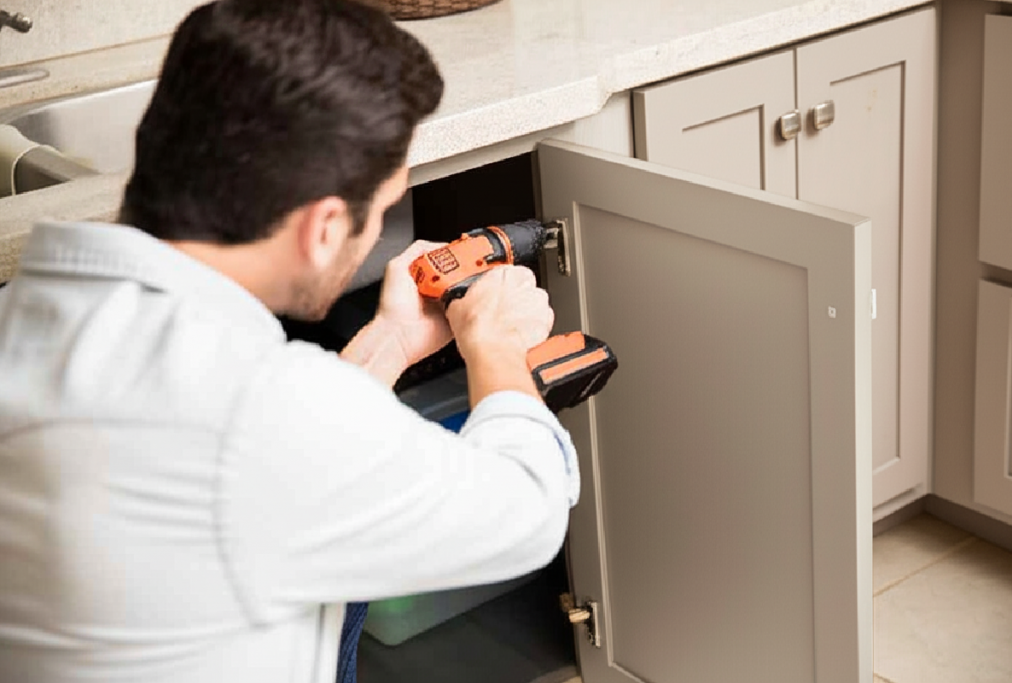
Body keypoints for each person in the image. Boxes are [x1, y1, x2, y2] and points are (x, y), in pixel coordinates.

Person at [0, 1, 579, 682]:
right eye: (384, 205)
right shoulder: (255, 411)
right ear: (325, 227)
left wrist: (389, 340)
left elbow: (284, 455)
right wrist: (497, 345)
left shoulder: (32, 313)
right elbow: (524, 511)